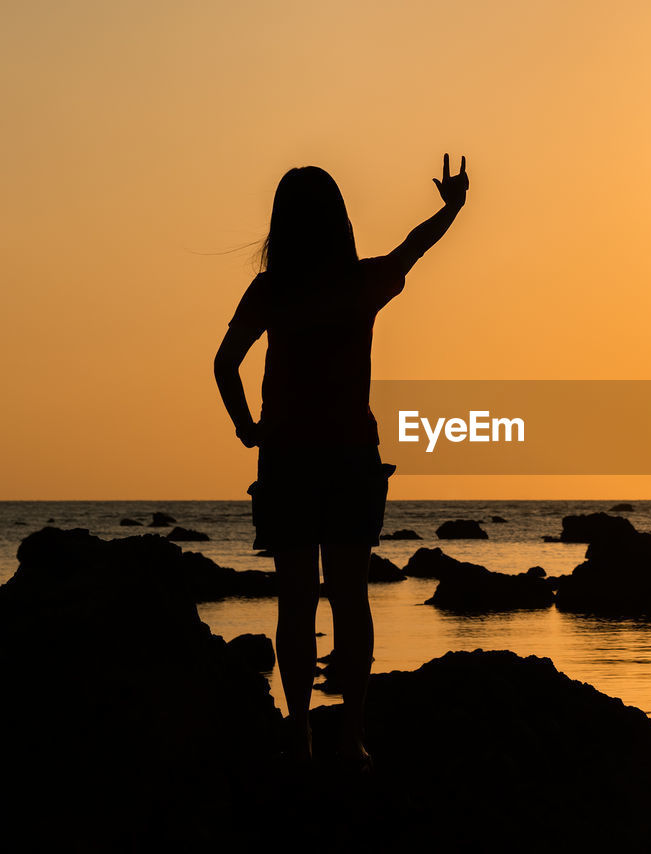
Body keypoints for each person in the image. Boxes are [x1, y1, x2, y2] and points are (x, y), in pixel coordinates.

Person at [213, 156, 469, 766]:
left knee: (295, 601)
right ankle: (352, 734)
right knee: (350, 598)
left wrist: (248, 428)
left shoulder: (272, 290)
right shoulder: (361, 283)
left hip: (288, 460)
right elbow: (413, 248)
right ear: (340, 221)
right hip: (352, 457)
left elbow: (225, 362)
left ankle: (300, 731)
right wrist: (453, 207)